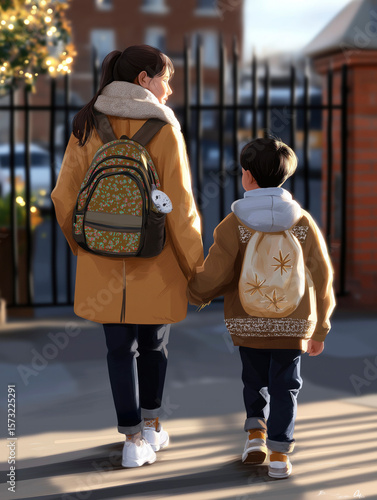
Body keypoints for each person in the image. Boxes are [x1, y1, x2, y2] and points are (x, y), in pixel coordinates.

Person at [51, 45, 203, 468]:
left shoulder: (87, 123)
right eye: (164, 79)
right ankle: (153, 427)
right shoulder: (165, 130)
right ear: (143, 80)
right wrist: (195, 269)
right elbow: (180, 208)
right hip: (155, 262)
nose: (169, 89)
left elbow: (64, 198)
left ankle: (132, 439)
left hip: (102, 262)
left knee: (119, 350)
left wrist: (84, 245)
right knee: (154, 345)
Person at [187, 138, 335, 479]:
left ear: (247, 176)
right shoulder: (301, 222)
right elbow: (322, 274)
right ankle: (280, 455)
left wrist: (193, 292)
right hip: (294, 324)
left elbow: (217, 274)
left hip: (248, 321)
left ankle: (256, 436)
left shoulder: (233, 224)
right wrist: (320, 328)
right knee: (286, 387)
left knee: (253, 381)